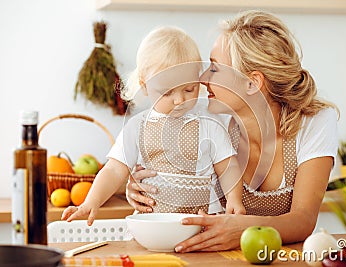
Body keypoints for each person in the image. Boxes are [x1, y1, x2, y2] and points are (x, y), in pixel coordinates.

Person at [125, 10, 339, 252]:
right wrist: (141, 189)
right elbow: (162, 159)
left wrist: (242, 230)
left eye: (214, 68)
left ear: (251, 83)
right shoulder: (209, 120)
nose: (202, 77)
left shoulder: (313, 123)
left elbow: (304, 220)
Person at [61, 26, 245, 226]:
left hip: (201, 227)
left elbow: (228, 166)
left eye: (189, 89)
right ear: (144, 85)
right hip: (151, 224)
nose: (179, 100)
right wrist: (91, 202)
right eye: (167, 93)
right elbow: (114, 170)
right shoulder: (137, 127)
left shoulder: (210, 124)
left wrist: (234, 200)